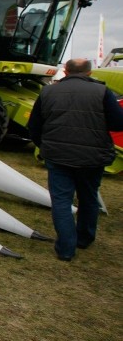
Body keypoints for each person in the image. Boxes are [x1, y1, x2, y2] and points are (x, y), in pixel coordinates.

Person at [27, 57, 123, 262]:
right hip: (92, 157)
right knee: (88, 197)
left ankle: (66, 248)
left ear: (65, 71)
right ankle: (84, 238)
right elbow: (118, 123)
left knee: (61, 200)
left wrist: (44, 146)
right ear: (90, 73)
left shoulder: (48, 92)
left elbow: (34, 126)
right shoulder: (102, 92)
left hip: (57, 155)